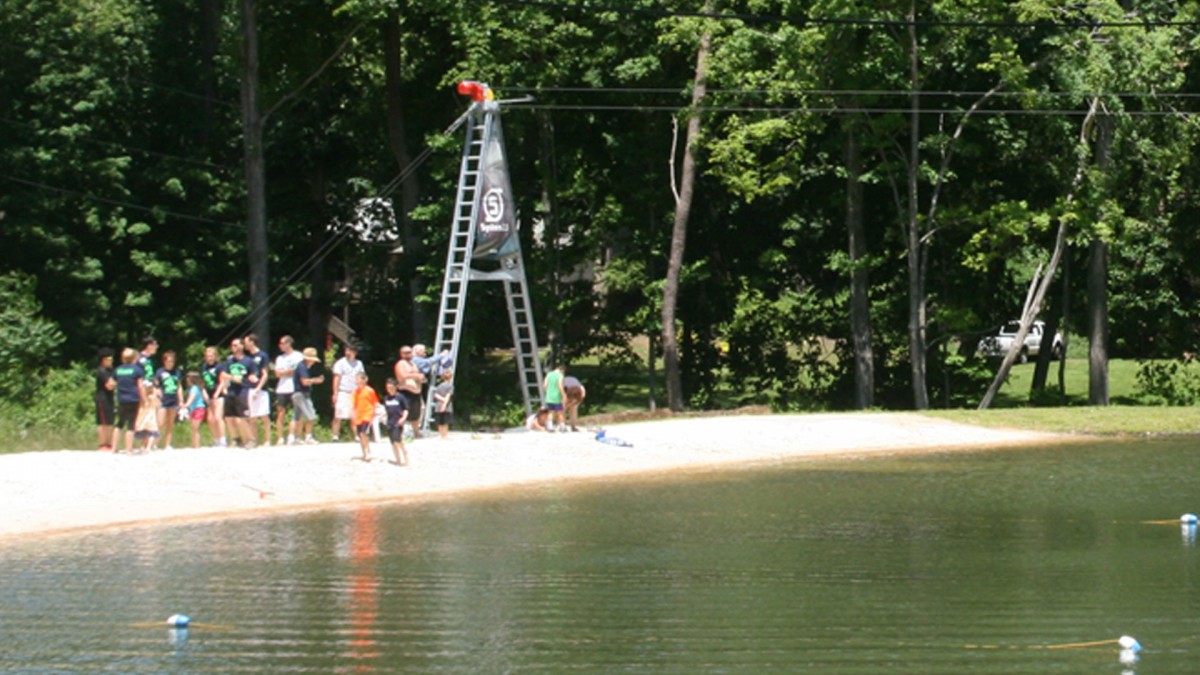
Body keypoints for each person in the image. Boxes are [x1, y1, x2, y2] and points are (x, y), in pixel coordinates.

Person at [222, 337, 254, 448]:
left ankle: (251, 439)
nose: (233, 348)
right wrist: (232, 377)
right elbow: (223, 374)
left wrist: (253, 378)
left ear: (242, 346)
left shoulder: (248, 361)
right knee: (229, 417)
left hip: (242, 391)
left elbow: (253, 374)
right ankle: (236, 439)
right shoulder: (229, 361)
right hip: (231, 391)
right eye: (232, 346)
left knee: (243, 417)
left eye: (235, 345)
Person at [273, 335, 304, 445]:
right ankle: (280, 437)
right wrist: (288, 371)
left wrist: (284, 372)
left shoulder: (298, 356)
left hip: (295, 387)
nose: (280, 346)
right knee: (281, 412)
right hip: (282, 388)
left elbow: (297, 371)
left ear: (288, 344)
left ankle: (295, 436)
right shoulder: (280, 358)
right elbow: (277, 373)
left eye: (282, 343)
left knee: (298, 412)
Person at [330, 344, 364, 442]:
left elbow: (362, 377)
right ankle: (335, 435)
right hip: (343, 391)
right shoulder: (340, 363)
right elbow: (336, 378)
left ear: (355, 352)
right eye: (346, 351)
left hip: (355, 392)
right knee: (338, 415)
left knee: (354, 415)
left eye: (350, 351)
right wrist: (335, 393)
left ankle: (356, 435)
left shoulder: (359, 363)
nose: (348, 353)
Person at [291, 347, 325, 445]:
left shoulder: (300, 366)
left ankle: (294, 437)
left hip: (296, 394)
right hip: (302, 394)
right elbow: (304, 382)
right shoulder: (302, 367)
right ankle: (308, 437)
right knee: (311, 416)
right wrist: (316, 380)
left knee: (296, 417)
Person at [244, 333, 271, 446]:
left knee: (264, 415)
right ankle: (254, 440)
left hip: (261, 389)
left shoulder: (262, 355)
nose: (244, 344)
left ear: (252, 342)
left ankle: (268, 440)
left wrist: (258, 388)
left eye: (246, 342)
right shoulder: (247, 357)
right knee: (252, 416)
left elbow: (265, 374)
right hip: (249, 388)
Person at [113, 348, 142, 453]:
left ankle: (114, 448)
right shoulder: (137, 370)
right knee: (131, 424)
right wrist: (144, 399)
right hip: (133, 398)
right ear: (134, 358)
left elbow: (112, 384)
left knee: (119, 423)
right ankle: (128, 448)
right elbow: (140, 386)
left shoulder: (118, 369)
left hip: (121, 399)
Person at [393, 345, 425, 439]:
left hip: (416, 393)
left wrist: (420, 378)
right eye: (405, 353)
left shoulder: (413, 364)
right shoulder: (400, 364)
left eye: (409, 352)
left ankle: (416, 432)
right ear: (401, 354)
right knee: (404, 413)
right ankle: (401, 432)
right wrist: (416, 376)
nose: (408, 354)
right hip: (405, 392)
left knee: (416, 414)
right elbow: (402, 375)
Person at [155, 350, 184, 450]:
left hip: (173, 399)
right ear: (164, 361)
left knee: (170, 423)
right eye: (168, 361)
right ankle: (155, 443)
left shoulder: (177, 372)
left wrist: (181, 400)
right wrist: (158, 392)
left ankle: (167, 444)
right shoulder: (160, 372)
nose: (170, 363)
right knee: (160, 423)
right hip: (163, 399)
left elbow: (179, 387)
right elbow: (156, 385)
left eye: (172, 361)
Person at [200, 346, 227, 447]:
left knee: (217, 417)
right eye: (207, 356)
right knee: (210, 419)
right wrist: (204, 392)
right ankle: (216, 440)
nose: (209, 358)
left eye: (211, 356)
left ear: (215, 356)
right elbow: (202, 382)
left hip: (218, 394)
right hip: (208, 394)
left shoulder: (220, 366)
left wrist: (216, 393)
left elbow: (222, 381)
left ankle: (223, 440)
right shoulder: (204, 367)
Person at [351, 372, 380, 462]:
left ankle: (367, 452)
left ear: (364, 380)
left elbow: (375, 403)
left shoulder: (370, 390)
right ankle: (365, 451)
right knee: (360, 435)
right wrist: (353, 414)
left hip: (368, 414)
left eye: (358, 379)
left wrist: (374, 413)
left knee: (363, 432)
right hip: (359, 415)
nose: (356, 381)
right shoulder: (355, 392)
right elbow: (353, 404)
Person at [383, 378, 410, 465]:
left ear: (396, 387)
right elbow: (385, 410)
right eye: (388, 388)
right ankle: (398, 460)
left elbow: (406, 409)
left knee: (397, 440)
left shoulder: (400, 397)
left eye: (391, 388)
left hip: (398, 422)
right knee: (393, 442)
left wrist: (403, 418)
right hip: (389, 422)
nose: (389, 390)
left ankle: (405, 455)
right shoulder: (386, 398)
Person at [94, 348, 116, 451]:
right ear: (103, 359)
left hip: (110, 398)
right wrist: (114, 382)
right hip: (102, 399)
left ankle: (109, 443)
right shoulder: (101, 370)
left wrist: (113, 382)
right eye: (109, 358)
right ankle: (103, 444)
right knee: (103, 422)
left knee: (110, 421)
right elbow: (109, 385)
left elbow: (112, 383)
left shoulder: (110, 371)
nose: (111, 360)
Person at [182, 371, 208, 449]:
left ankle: (196, 446)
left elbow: (191, 398)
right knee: (194, 428)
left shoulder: (194, 388)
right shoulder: (200, 388)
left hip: (197, 409)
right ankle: (195, 445)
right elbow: (206, 398)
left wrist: (185, 405)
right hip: (198, 409)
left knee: (195, 428)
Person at [135, 380, 161, 453]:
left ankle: (143, 446)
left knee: (145, 432)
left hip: (143, 416)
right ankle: (148, 446)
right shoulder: (152, 397)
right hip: (151, 416)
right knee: (152, 432)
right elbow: (158, 405)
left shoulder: (142, 398)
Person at [543, 364, 567, 431]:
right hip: (557, 396)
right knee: (560, 412)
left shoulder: (549, 374)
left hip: (549, 396)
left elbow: (544, 385)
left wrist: (548, 392)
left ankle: (550, 426)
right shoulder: (560, 375)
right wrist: (563, 394)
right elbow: (560, 385)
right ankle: (562, 426)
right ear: (562, 370)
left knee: (550, 412)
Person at [432, 369, 454, 439]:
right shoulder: (450, 386)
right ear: (451, 377)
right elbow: (448, 396)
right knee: (445, 421)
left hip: (438, 405)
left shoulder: (439, 386)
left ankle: (441, 435)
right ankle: (445, 435)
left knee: (439, 421)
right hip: (446, 406)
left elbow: (435, 395)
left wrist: (441, 400)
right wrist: (444, 403)